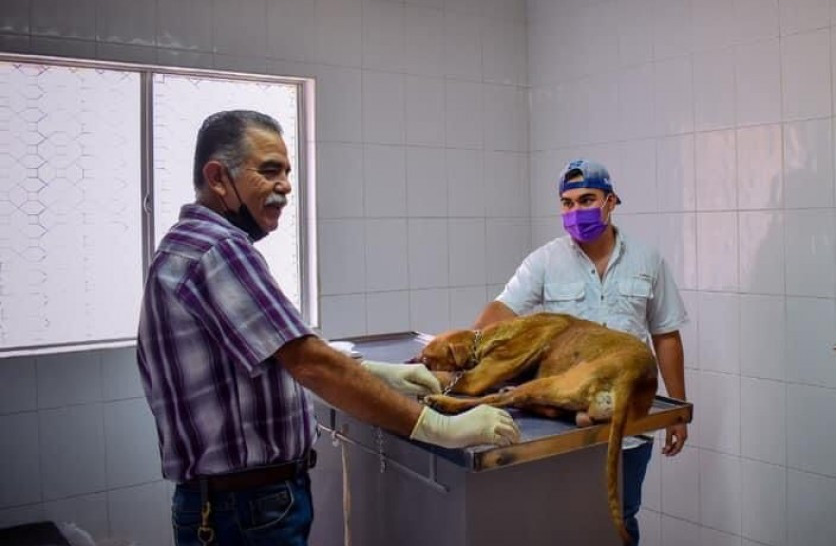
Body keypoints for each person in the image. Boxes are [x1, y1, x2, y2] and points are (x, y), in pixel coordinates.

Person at [137, 110, 519, 546]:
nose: (285, 186)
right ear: (218, 178)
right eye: (270, 171)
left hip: (228, 504)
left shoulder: (185, 244)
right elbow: (309, 362)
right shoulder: (219, 249)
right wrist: (439, 427)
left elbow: (278, 351)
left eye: (287, 172)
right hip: (243, 509)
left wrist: (382, 374)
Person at [472, 159, 689, 546]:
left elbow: (666, 336)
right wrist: (468, 350)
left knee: (622, 516)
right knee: (566, 522)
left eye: (587, 200)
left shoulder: (647, 260)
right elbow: (500, 313)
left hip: (629, 421)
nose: (576, 211)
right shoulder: (545, 261)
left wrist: (677, 411)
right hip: (566, 425)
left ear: (610, 201)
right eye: (567, 203)